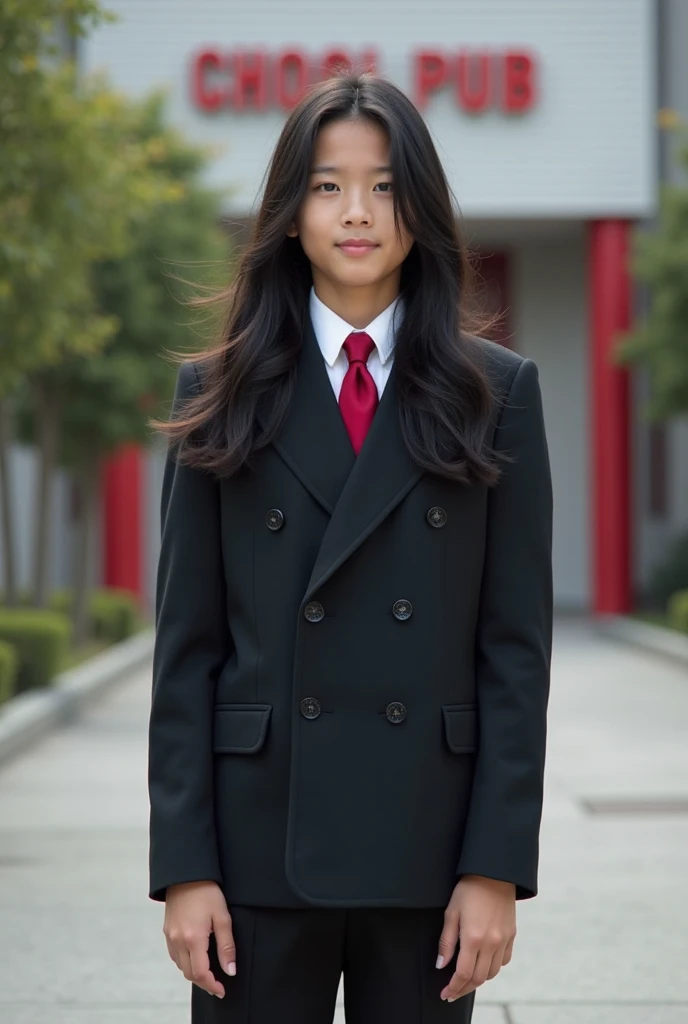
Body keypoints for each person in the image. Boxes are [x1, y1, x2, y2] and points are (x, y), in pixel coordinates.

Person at [147, 70, 553, 1024]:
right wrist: (184, 870)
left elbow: (514, 654)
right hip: (256, 855)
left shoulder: (497, 393)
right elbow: (186, 653)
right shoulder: (220, 392)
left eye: (384, 185)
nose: (357, 212)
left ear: (422, 208)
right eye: (328, 185)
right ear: (290, 214)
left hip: (428, 853)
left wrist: (496, 866)